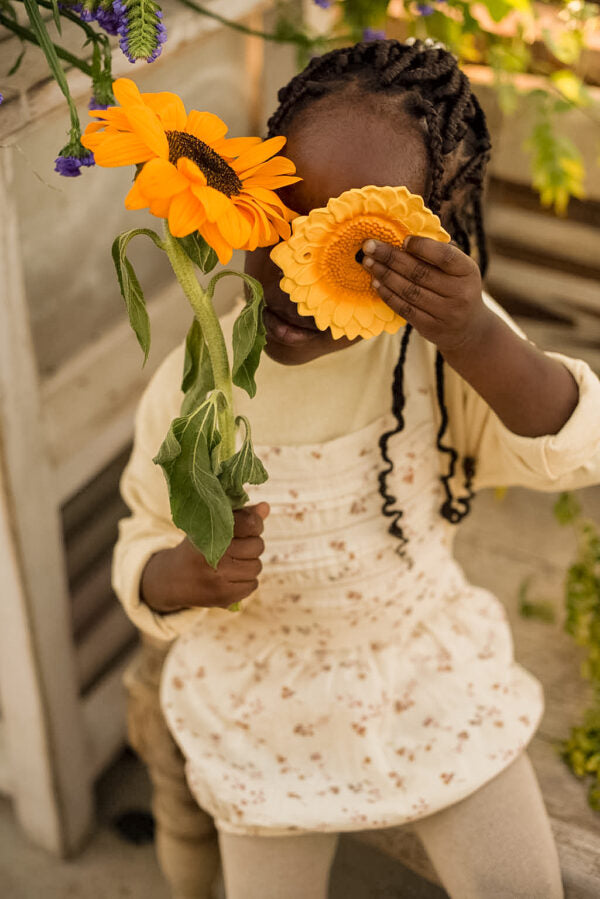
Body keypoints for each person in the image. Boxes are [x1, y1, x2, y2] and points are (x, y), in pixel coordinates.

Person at [113, 39, 600, 899]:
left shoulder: (439, 354)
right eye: (283, 221)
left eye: (354, 251)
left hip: (419, 667)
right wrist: (179, 575)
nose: (297, 281)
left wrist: (478, 334)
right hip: (257, 689)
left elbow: (569, 444)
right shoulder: (199, 383)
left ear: (429, 250)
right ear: (244, 196)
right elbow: (141, 536)